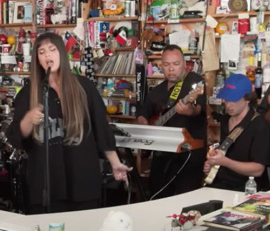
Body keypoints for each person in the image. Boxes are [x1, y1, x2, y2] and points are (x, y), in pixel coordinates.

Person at [5, 32, 132, 214]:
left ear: (61, 54)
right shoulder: (28, 93)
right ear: (37, 59)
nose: (48, 55)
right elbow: (16, 137)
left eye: (52, 50)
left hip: (82, 181)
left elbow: (101, 128)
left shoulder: (84, 86)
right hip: (46, 185)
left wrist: (115, 162)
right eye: (42, 52)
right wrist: (28, 120)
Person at [137, 44, 206, 199]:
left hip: (188, 156)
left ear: (184, 64)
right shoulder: (157, 91)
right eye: (166, 65)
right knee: (157, 196)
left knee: (185, 200)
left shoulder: (194, 81)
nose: (171, 69)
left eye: (176, 64)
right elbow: (142, 114)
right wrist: (145, 126)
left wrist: (190, 111)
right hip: (162, 156)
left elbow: (199, 108)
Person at [204, 74, 270, 191]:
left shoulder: (259, 125)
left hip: (247, 190)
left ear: (248, 99)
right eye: (226, 99)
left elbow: (258, 169)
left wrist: (225, 162)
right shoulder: (225, 120)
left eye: (233, 99)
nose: (228, 104)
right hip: (220, 186)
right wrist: (213, 165)